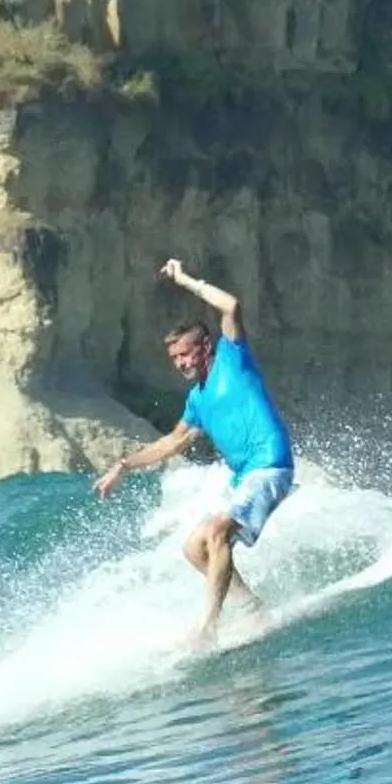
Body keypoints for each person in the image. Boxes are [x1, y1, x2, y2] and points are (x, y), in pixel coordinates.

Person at [94, 258, 297, 648]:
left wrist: (185, 280)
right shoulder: (197, 399)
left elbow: (231, 306)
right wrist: (124, 465)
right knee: (194, 549)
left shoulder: (233, 360)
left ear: (205, 346)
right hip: (245, 477)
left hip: (271, 465)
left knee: (218, 532)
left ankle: (207, 627)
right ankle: (252, 608)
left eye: (185, 355)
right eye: (174, 359)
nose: (180, 363)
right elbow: (171, 442)